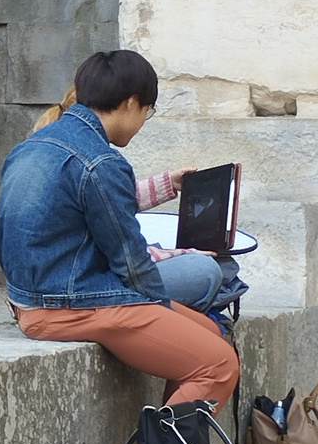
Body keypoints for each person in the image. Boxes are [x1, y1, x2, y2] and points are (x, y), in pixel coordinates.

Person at [0, 50, 238, 414]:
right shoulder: (101, 161)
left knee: (209, 332)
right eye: (147, 112)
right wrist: (162, 309)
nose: (143, 122)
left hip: (36, 298)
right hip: (69, 305)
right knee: (220, 364)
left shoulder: (34, 145)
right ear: (130, 103)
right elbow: (131, 264)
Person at [32, 90, 230, 316]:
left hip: (58, 283)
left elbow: (109, 202)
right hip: (83, 285)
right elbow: (124, 257)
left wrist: (168, 183)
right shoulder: (94, 160)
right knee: (207, 271)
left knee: (209, 269)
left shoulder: (47, 151)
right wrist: (180, 254)